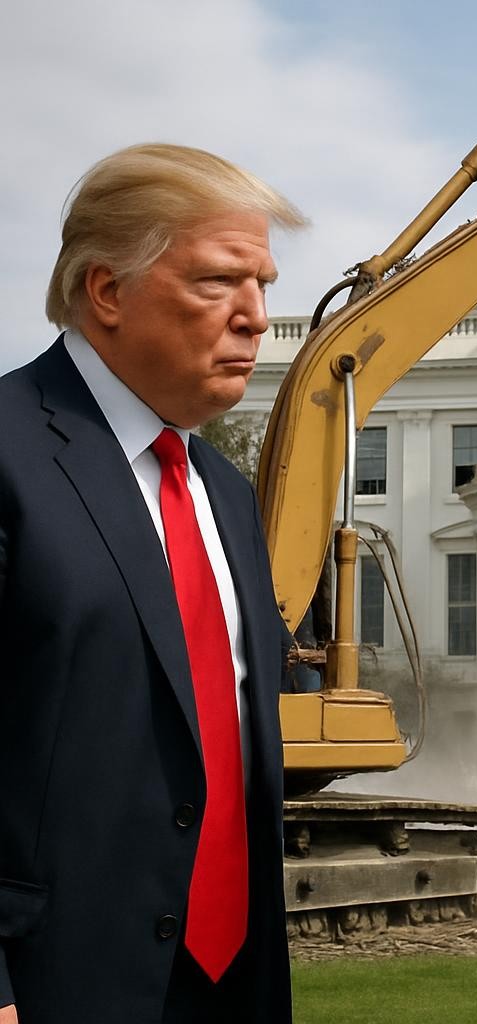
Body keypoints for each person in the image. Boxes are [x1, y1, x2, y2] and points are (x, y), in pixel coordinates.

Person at [0, 144, 307, 1023]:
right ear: (107, 291)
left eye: (265, 285)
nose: (256, 319)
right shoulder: (9, 453)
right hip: (59, 984)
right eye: (219, 282)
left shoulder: (227, 494)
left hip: (231, 986)